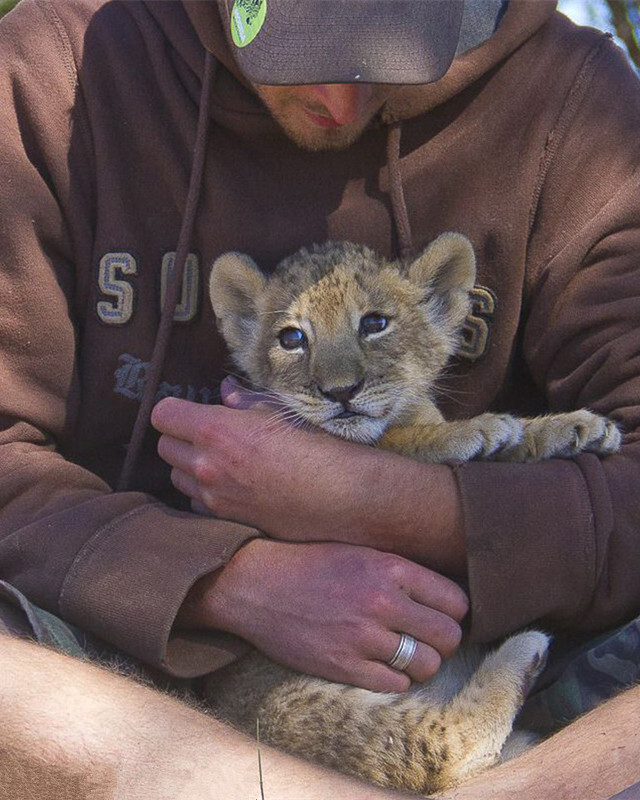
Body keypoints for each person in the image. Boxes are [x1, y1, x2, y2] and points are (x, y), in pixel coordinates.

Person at [0, 0, 639, 795]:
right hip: (122, 675)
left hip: (493, 663)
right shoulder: (48, 69)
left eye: (390, 46)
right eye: (295, 46)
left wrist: (382, 503)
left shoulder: (576, 100)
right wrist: (224, 581)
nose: (340, 101)